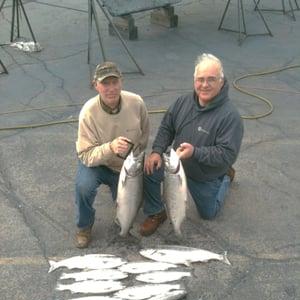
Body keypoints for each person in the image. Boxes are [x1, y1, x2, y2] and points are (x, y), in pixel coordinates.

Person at [140, 53, 244, 236]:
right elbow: (166, 127)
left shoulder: (230, 117)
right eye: (200, 79)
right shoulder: (182, 102)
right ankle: (156, 212)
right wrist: (156, 151)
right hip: (175, 164)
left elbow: (226, 154)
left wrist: (195, 153)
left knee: (208, 214)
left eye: (211, 79)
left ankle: (225, 177)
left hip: (205, 174)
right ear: (194, 80)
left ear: (221, 81)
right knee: (149, 168)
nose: (205, 85)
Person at [75, 61, 150, 248]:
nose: (111, 88)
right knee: (84, 187)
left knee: (132, 204)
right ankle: (84, 225)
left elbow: (144, 137)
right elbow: (85, 155)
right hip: (98, 165)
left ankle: (123, 226)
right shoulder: (88, 112)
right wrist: (110, 148)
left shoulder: (136, 102)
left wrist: (134, 162)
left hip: (127, 167)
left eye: (114, 82)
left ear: (121, 82)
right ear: (96, 85)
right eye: (105, 83)